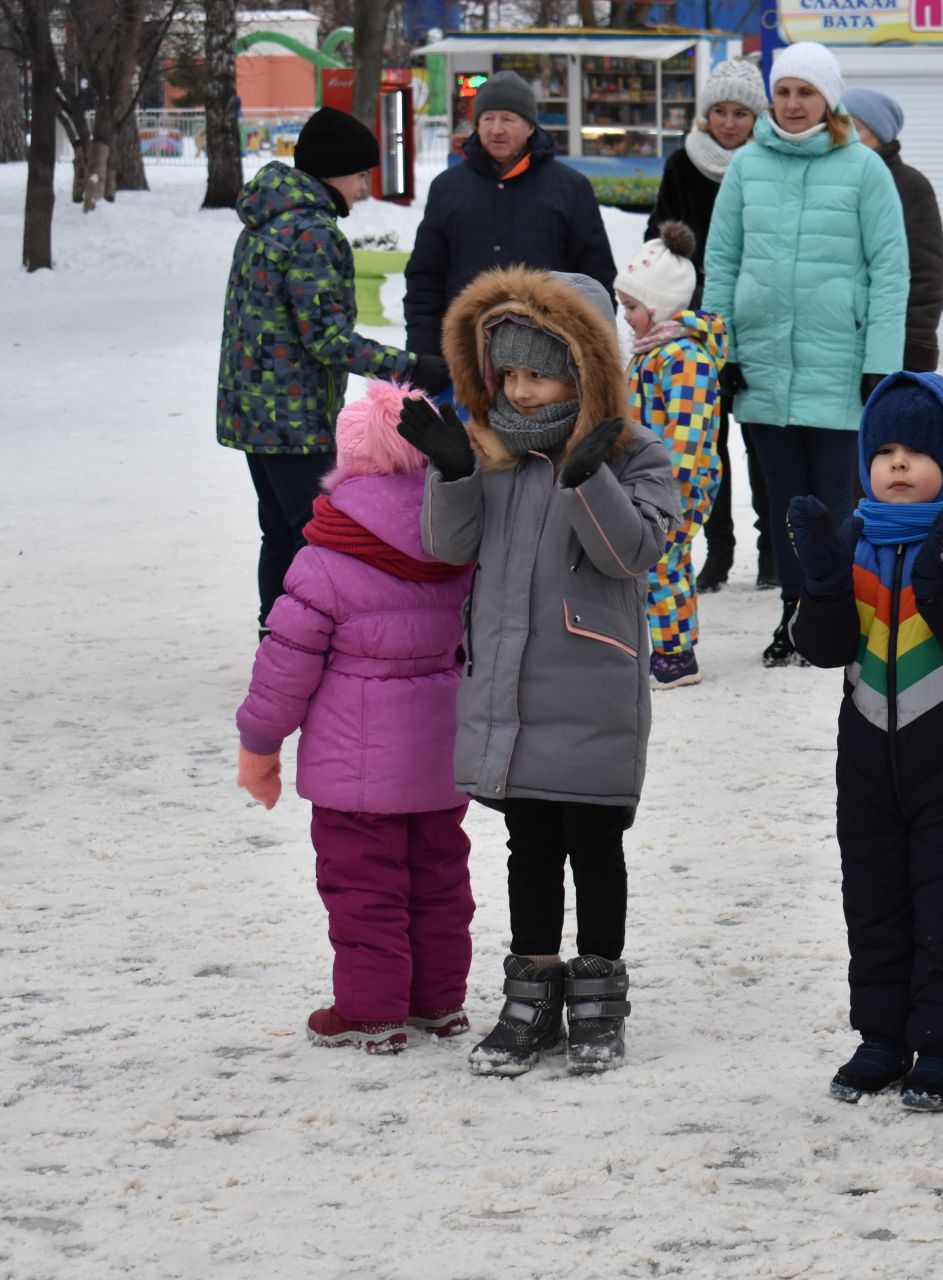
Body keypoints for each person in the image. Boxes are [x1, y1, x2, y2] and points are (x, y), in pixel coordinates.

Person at [397, 266, 680, 1078]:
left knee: (594, 848)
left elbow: (633, 552)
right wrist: (455, 474)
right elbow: (452, 548)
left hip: (590, 693)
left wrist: (587, 476)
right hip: (512, 695)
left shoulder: (636, 455)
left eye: (538, 371)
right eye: (508, 373)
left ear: (585, 371)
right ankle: (530, 992)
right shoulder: (495, 454)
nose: (519, 392)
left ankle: (598, 993)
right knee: (527, 849)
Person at [787, 372, 943, 1113]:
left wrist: (940, 578)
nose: (896, 464)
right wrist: (823, 586)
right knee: (876, 904)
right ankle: (882, 1037)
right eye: (883, 449)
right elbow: (820, 650)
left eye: (916, 451)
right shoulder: (854, 544)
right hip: (868, 769)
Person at [234, 379, 475, 1056]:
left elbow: (285, 663)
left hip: (355, 770)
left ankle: (371, 1011)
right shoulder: (457, 543)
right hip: (439, 757)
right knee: (440, 880)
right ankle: (438, 1003)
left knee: (363, 887)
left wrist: (260, 744)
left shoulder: (325, 558)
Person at [703, 41, 911, 668]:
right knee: (782, 503)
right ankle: (794, 619)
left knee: (836, 503)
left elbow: (890, 272)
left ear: (830, 98)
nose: (793, 105)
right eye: (784, 92)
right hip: (762, 366)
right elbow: (722, 262)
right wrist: (722, 349)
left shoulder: (863, 168)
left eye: (806, 93)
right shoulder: (746, 168)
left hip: (838, 366)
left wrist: (879, 360)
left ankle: (838, 614)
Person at [216, 106, 452, 632]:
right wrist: (413, 367)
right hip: (293, 417)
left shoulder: (264, 222)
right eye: (360, 174)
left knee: (279, 531)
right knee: (318, 533)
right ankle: (305, 638)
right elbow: (326, 338)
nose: (363, 187)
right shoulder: (313, 233)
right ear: (335, 171)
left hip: (252, 412)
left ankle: (276, 632)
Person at [646, 56, 775, 595]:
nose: (729, 122)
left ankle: (773, 552)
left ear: (756, 117)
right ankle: (717, 551)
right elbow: (660, 240)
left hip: (761, 316)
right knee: (705, 442)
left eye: (740, 112)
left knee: (763, 440)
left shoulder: (771, 163)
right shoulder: (683, 165)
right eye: (719, 110)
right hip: (697, 324)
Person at [403, 71, 618, 382]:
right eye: (488, 118)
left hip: (547, 362)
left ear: (530, 126)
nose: (497, 129)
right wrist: (424, 356)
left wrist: (589, 357)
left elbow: (596, 279)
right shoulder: (448, 189)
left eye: (508, 119)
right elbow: (425, 279)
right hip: (466, 361)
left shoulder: (570, 188)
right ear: (476, 124)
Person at [615, 222, 729, 689]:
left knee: (664, 561)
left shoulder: (683, 358)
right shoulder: (651, 351)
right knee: (654, 560)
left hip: (678, 484)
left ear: (659, 307)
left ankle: (677, 655)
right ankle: (661, 644)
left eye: (632, 307)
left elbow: (687, 432)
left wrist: (669, 485)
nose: (625, 317)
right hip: (651, 479)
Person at [842, 87, 943, 373]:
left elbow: (926, 274)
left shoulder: (910, 185)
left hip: (894, 347)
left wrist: (914, 346)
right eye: (841, 124)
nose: (846, 135)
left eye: (857, 127)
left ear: (880, 134)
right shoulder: (833, 182)